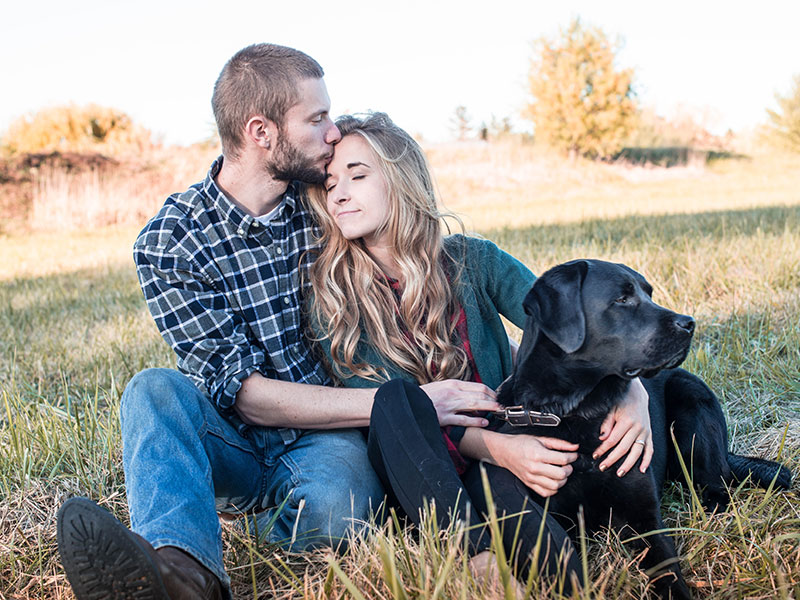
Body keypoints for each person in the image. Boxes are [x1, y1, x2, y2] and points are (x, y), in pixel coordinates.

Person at [56, 43, 394, 600]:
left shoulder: (327, 205)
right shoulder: (169, 243)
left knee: (339, 513)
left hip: (327, 434)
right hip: (233, 436)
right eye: (317, 119)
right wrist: (389, 405)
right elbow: (246, 397)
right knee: (152, 390)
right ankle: (180, 574)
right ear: (261, 132)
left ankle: (219, 536)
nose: (333, 133)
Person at [306, 112, 654, 593]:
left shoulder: (474, 260)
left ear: (402, 180)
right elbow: (392, 422)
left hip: (501, 451)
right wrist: (503, 449)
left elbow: (569, 323)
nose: (339, 192)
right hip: (421, 470)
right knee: (397, 398)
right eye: (329, 184)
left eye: (358, 175)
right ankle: (475, 557)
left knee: (524, 516)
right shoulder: (336, 303)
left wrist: (633, 391)